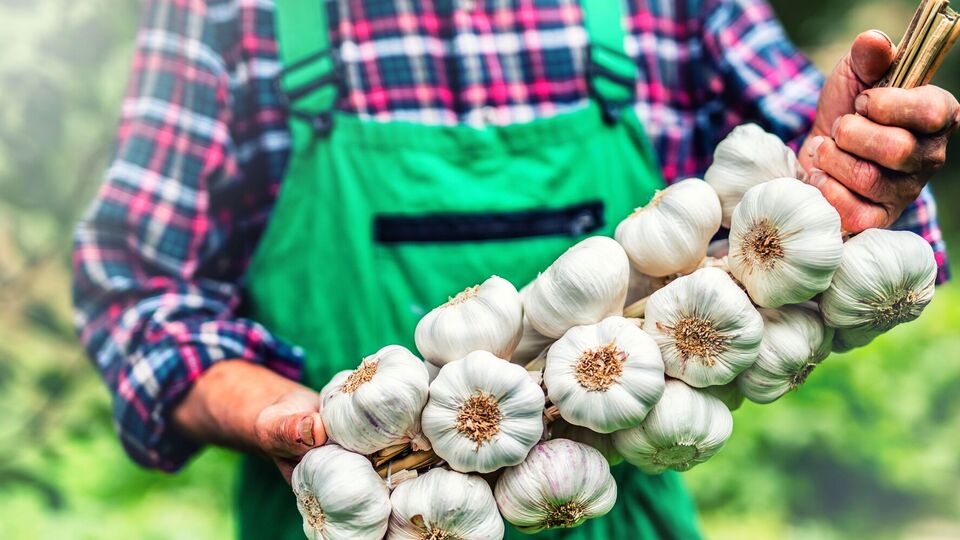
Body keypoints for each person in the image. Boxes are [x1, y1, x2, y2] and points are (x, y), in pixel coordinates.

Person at [72, 0, 958, 538]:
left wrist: (859, 169)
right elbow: (139, 295)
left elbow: (805, 216)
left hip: (612, 516)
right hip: (351, 519)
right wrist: (277, 416)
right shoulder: (224, 14)